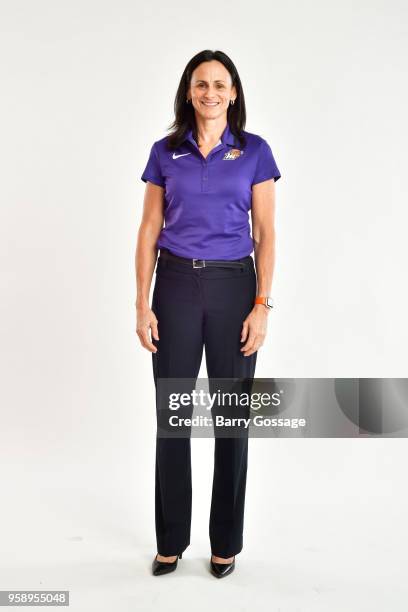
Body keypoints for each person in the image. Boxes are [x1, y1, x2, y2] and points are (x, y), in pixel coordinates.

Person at [135, 49, 281, 578]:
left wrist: (261, 305)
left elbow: (264, 234)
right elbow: (149, 230)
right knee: (173, 418)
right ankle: (170, 540)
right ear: (189, 91)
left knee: (230, 420)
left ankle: (225, 544)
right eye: (201, 84)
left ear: (234, 92)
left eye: (220, 84)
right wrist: (141, 301)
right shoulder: (164, 152)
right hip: (173, 284)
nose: (211, 92)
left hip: (233, 287)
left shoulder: (254, 152)